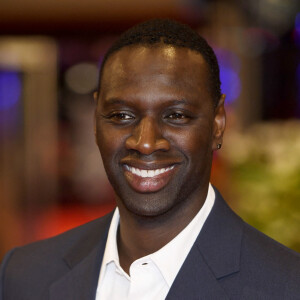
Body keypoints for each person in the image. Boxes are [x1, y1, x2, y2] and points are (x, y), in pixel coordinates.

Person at [1, 19, 300, 300]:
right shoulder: (25, 276)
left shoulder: (285, 286)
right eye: (121, 115)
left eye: (176, 116)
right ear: (95, 120)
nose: (145, 142)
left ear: (218, 122)